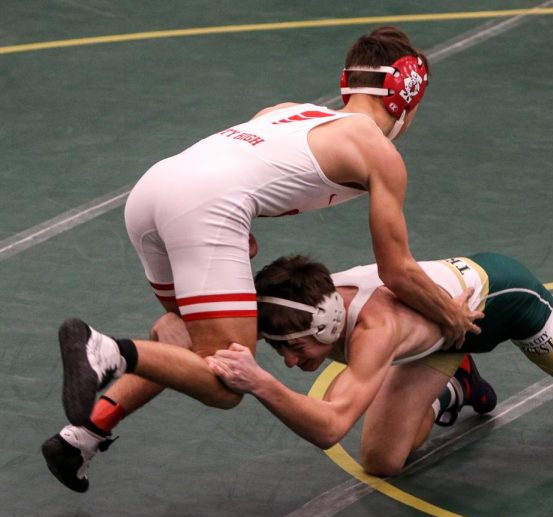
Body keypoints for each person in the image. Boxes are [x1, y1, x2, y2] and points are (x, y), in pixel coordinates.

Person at [41, 26, 484, 492]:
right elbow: (397, 270)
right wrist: (451, 314)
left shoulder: (286, 112)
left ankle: (81, 437)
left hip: (152, 190)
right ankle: (107, 350)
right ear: (404, 99)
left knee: (187, 337)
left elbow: (238, 166)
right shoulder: (380, 152)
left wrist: (235, 227)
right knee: (226, 379)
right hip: (205, 207)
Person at [200, 252, 553, 476]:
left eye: (295, 349)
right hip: (439, 340)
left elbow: (330, 426)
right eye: (280, 353)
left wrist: (259, 382)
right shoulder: (300, 306)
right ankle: (457, 387)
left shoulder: (377, 329)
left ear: (330, 320)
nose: (291, 362)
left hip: (507, 304)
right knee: (382, 460)